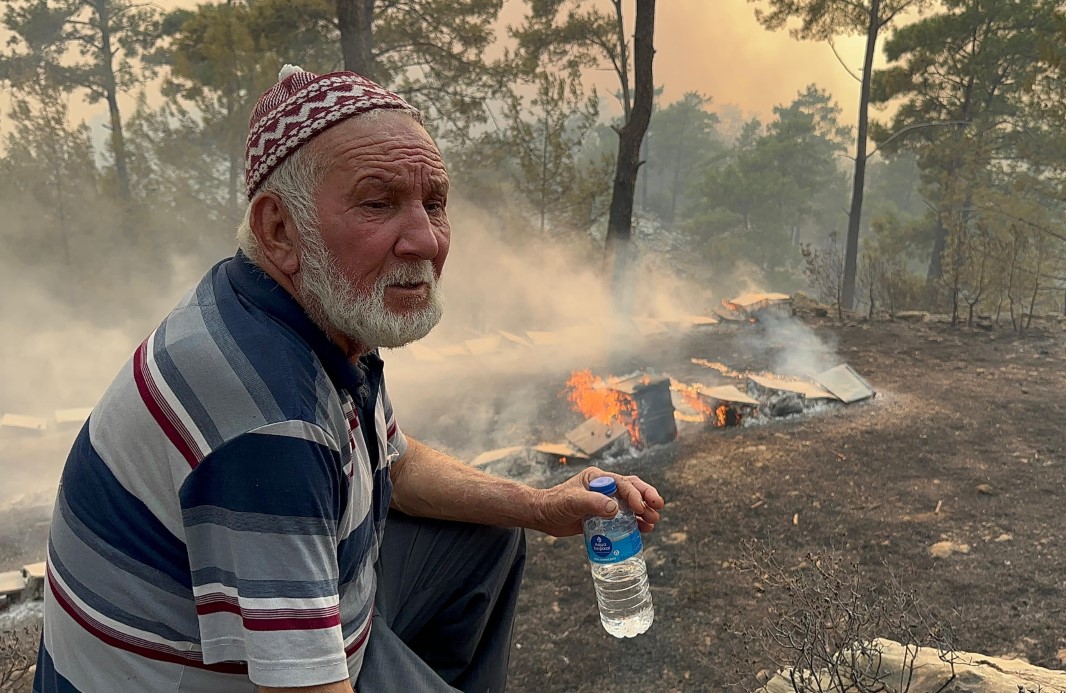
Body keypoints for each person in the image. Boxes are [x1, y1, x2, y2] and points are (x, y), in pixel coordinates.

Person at [33, 65, 664, 693]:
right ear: (278, 229)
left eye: (434, 203)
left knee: (488, 538)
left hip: (288, 630)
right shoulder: (269, 419)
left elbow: (394, 462)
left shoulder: (299, 315)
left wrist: (539, 506)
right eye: (378, 203)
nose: (424, 240)